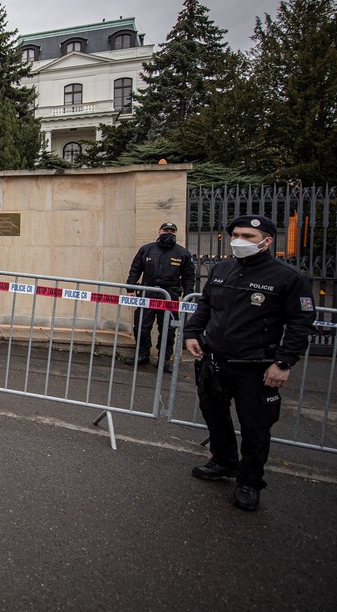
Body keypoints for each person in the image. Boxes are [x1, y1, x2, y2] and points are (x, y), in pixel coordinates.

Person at [183, 215, 316, 511]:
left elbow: (301, 323)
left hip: (257, 366)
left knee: (256, 427)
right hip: (215, 360)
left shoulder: (288, 278)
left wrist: (283, 362)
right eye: (237, 235)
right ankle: (224, 461)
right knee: (214, 415)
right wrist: (192, 332)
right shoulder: (222, 269)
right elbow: (206, 305)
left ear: (267, 241)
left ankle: (249, 481)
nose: (239, 241)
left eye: (249, 236)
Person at [124, 221, 195, 366]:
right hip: (148, 292)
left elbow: (189, 276)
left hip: (170, 295)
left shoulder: (182, 253)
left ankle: (164, 359)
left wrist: (188, 296)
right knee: (142, 326)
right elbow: (135, 269)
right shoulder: (147, 250)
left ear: (175, 233)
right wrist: (130, 289)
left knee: (168, 328)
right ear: (159, 231)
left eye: (171, 231)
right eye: (165, 230)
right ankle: (143, 355)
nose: (168, 233)